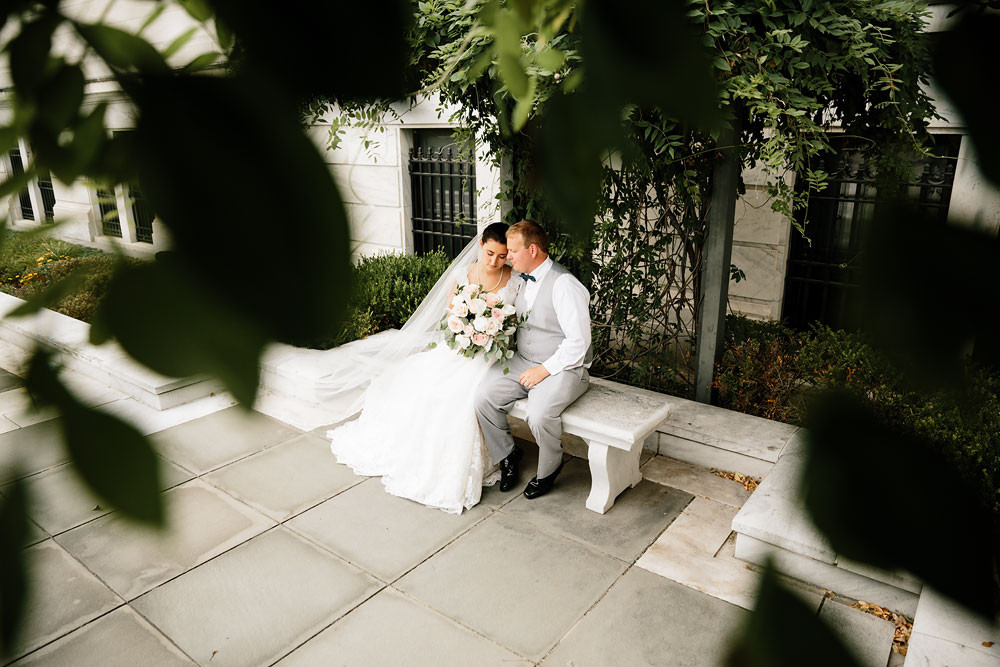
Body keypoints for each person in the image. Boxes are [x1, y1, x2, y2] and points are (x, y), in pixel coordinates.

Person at [326, 222, 524, 514]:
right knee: (424, 386)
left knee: (460, 396)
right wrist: (467, 332)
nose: (495, 261)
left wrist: (494, 335)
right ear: (481, 245)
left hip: (494, 355)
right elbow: (450, 317)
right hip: (461, 349)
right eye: (490, 253)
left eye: (502, 256)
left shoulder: (516, 280)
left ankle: (500, 456)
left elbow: (517, 324)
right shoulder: (462, 274)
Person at [475, 220, 592, 499]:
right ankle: (508, 453)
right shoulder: (519, 279)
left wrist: (543, 370)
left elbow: (579, 343)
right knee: (482, 397)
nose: (508, 257)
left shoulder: (564, 285)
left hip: (564, 367)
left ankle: (550, 468)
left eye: (513, 251)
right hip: (524, 359)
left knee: (538, 415)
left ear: (533, 249)